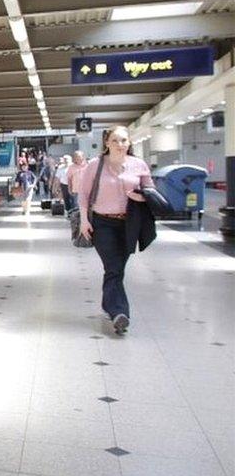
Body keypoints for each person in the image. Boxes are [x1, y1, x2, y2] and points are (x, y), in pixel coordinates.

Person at [78, 126, 155, 334]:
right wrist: (84, 221)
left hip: (129, 223)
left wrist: (140, 196)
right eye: (115, 140)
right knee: (113, 267)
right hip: (103, 224)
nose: (120, 145)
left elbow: (150, 191)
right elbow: (83, 195)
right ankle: (120, 313)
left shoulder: (138, 165)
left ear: (129, 143)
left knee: (116, 269)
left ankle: (108, 304)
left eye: (123, 140)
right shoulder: (95, 166)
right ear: (107, 143)